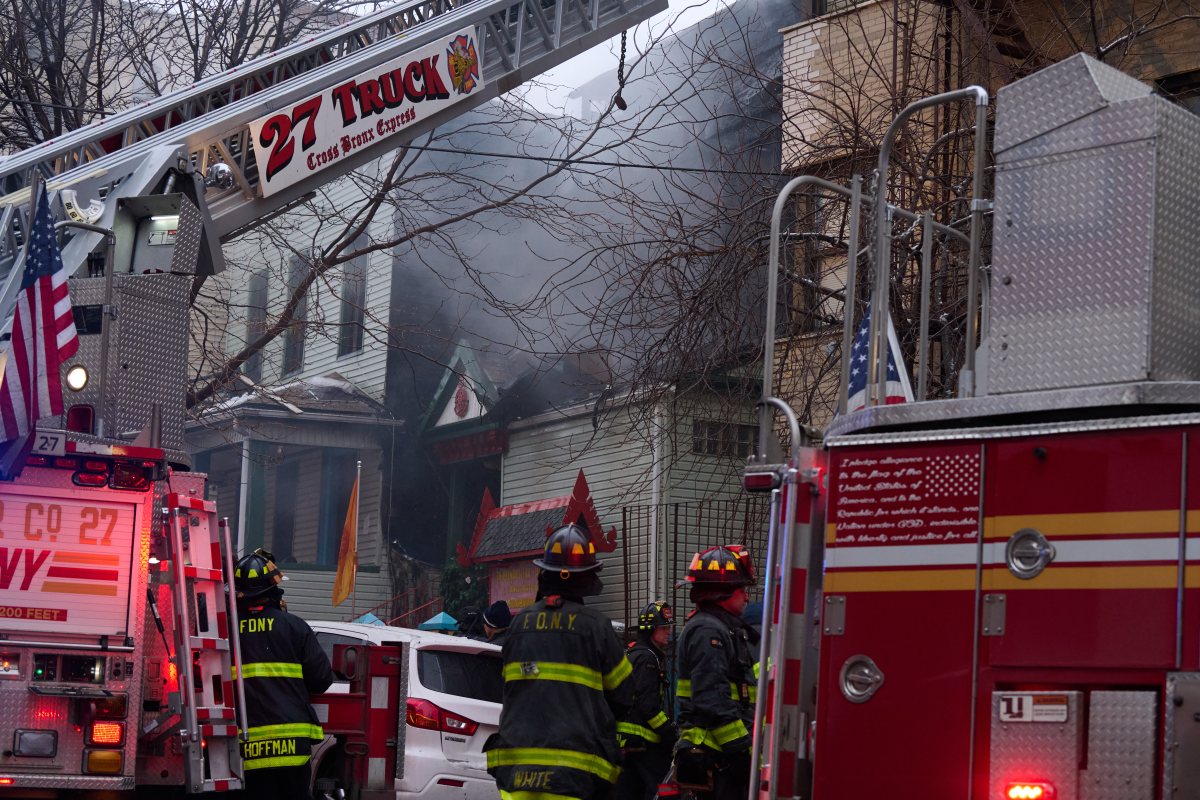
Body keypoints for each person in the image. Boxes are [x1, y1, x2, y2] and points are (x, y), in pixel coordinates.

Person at [486, 523, 634, 800]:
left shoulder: (518, 625)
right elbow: (624, 694)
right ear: (588, 577)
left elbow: (509, 688)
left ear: (544, 573)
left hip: (517, 773)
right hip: (575, 776)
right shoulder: (596, 627)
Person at [232, 548, 334, 799]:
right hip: (292, 747)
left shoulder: (225, 632)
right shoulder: (295, 627)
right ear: (273, 589)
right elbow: (321, 679)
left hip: (246, 748)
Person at [673, 544, 759, 800]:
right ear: (723, 592)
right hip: (716, 754)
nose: (746, 598)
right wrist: (740, 750)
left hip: (721, 754)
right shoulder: (708, 631)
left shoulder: (723, 628)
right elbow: (712, 699)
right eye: (742, 590)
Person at [614, 600, 677, 800]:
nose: (668, 632)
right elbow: (647, 705)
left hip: (629, 741)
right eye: (663, 628)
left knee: (628, 792)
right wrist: (668, 732)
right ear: (650, 630)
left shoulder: (638, 653)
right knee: (665, 790)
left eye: (669, 627)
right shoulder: (646, 658)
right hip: (644, 740)